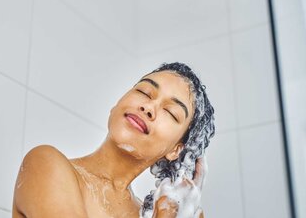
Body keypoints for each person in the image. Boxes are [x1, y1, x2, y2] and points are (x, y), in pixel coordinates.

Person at [12, 62, 215, 218]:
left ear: (176, 150)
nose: (148, 107)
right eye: (143, 92)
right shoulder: (46, 165)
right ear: (116, 106)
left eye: (170, 112)